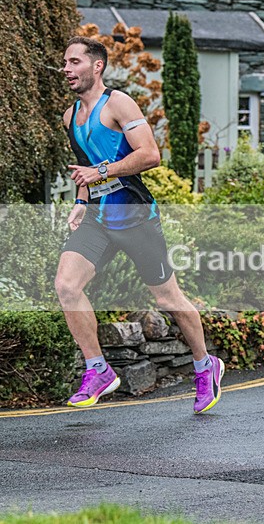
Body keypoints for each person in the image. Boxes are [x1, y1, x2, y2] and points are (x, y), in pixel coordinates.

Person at [56, 37, 224, 413]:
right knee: (67, 285)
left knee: (168, 299)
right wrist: (81, 203)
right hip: (98, 218)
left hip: (134, 215)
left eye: (74, 61)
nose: (66, 68)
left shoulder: (118, 103)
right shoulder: (69, 117)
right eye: (65, 62)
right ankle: (97, 369)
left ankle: (204, 364)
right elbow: (83, 171)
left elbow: (150, 155)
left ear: (96, 66)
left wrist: (99, 172)